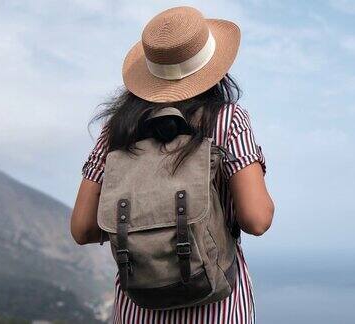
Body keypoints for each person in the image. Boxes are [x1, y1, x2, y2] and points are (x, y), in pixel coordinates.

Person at [70, 6, 274, 324]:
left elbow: (82, 228)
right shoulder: (228, 119)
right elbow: (257, 219)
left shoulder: (118, 129)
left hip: (138, 309)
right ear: (213, 65)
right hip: (216, 308)